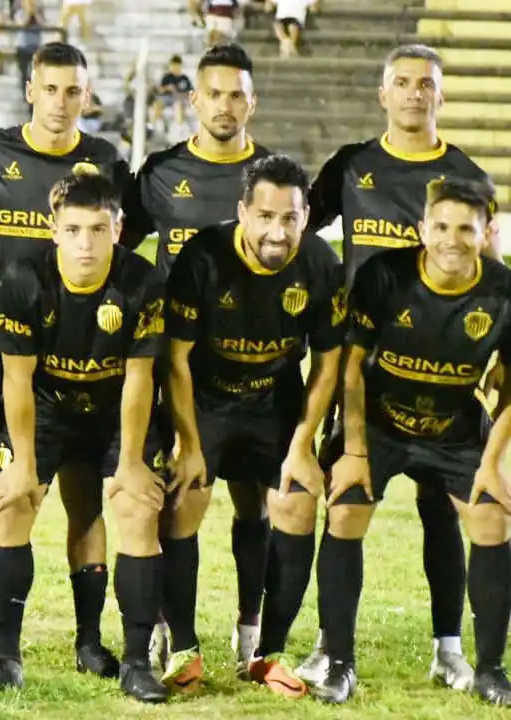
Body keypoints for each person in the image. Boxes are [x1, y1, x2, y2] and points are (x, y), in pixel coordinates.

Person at [296, 43, 499, 691]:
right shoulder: (353, 166)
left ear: (441, 96)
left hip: (442, 380)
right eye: (401, 83)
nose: (414, 93)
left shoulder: (463, 175)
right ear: (383, 94)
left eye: (425, 84)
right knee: (344, 503)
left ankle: (450, 651)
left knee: (445, 512)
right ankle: (333, 651)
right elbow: (299, 227)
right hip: (362, 375)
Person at [0, 41, 132, 681]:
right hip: (3, 352)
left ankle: (88, 641)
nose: (60, 103)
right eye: (50, 88)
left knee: (86, 503)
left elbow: (122, 242)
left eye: (73, 91)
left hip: (87, 357)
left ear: (88, 95)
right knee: (0, 493)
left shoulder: (108, 162)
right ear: (30, 89)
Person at [0, 173, 168, 701]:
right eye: (73, 229)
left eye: (98, 229)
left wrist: (130, 463)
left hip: (113, 408)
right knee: (13, 501)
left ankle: (131, 659)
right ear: (53, 230)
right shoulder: (21, 278)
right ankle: (6, 657)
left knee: (135, 507)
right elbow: (17, 378)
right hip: (46, 408)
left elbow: (141, 380)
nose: (85, 243)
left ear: (118, 230)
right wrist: (24, 462)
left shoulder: (141, 282)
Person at [310, 177, 511, 706]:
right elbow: (351, 370)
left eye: (465, 229)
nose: (451, 239)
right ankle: (338, 663)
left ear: (486, 232)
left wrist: (492, 466)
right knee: (346, 509)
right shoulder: (384, 276)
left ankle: (490, 668)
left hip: (455, 430)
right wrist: (352, 452)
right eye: (440, 227)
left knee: (492, 518)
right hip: (380, 424)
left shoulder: (502, 292)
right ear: (422, 229)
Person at [164, 154, 345, 698]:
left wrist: (302, 443)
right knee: (185, 496)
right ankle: (182, 647)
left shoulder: (318, 264)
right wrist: (189, 443)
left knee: (293, 500)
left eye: (289, 218)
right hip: (207, 399)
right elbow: (175, 359)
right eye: (264, 216)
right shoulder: (201, 258)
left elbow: (330, 361)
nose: (276, 230)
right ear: (242, 211)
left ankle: (266, 648)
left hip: (274, 401)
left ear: (306, 216)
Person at [121, 42, 271, 682]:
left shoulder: (273, 175)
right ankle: (166, 629)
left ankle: (251, 629)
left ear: (252, 102)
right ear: (194, 100)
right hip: (173, 369)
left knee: (255, 503)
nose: (226, 106)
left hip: (256, 372)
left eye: (238, 95)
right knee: (177, 497)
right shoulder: (157, 174)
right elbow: (121, 256)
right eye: (215, 94)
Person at [151, 55, 194, 135]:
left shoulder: (184, 78)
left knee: (178, 106)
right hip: (166, 98)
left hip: (178, 99)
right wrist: (167, 88)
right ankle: (155, 127)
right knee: (156, 105)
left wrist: (177, 91)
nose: (174, 68)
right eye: (173, 66)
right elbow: (160, 90)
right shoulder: (167, 77)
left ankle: (180, 129)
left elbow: (190, 92)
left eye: (176, 66)